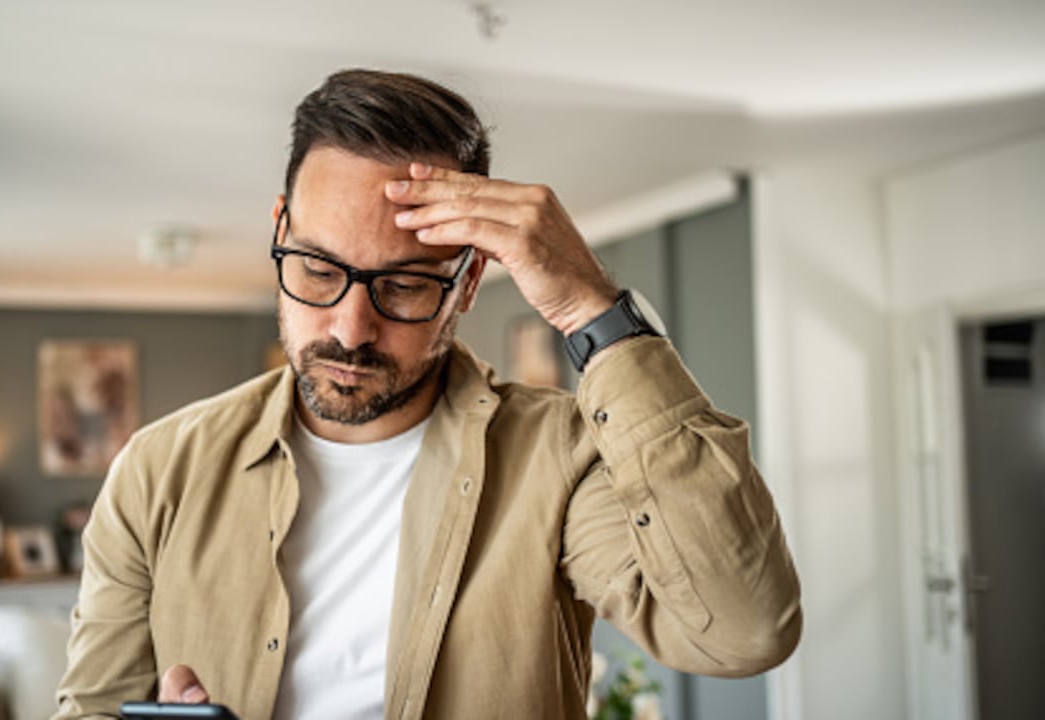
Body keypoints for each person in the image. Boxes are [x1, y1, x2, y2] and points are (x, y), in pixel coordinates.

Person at [54, 69, 801, 719]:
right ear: (279, 231)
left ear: (468, 280)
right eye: (317, 270)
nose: (351, 327)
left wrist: (591, 309)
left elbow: (743, 631)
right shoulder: (159, 471)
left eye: (405, 284)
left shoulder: (564, 458)